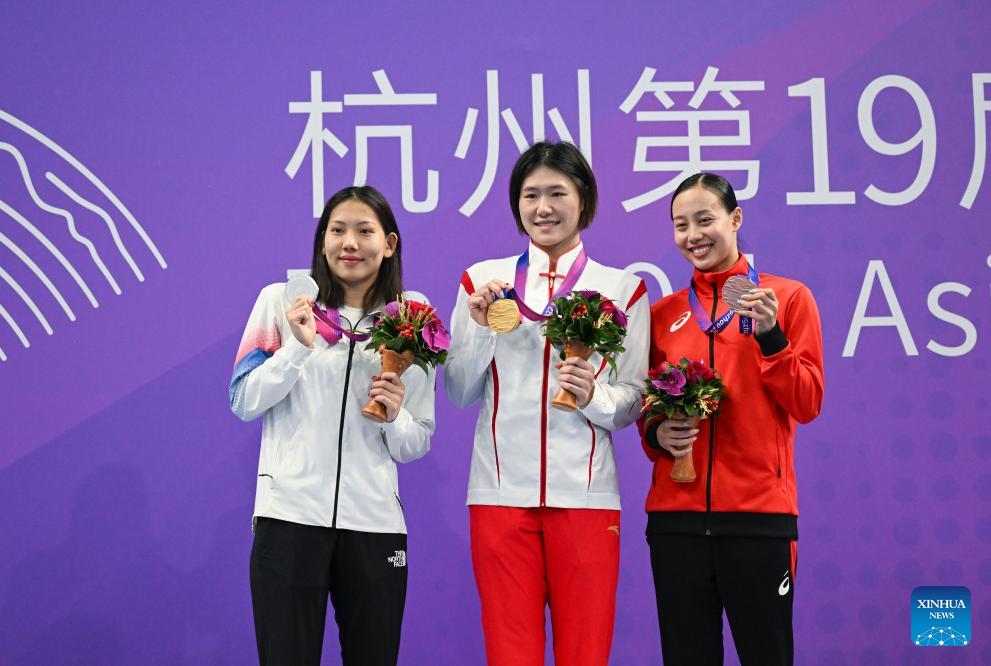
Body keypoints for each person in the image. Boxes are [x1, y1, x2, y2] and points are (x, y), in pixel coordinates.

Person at [444, 141, 649, 666]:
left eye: (557, 193)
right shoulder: (480, 282)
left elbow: (631, 401)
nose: (543, 208)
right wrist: (482, 327)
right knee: (510, 653)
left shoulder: (622, 290)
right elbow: (460, 390)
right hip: (498, 495)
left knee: (586, 652)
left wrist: (593, 397)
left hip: (586, 497)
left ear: (584, 199)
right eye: (530, 195)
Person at [228, 185, 435, 666]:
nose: (350, 243)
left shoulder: (410, 318)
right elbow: (243, 399)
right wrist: (296, 349)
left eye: (365, 231)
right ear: (322, 240)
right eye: (337, 230)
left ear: (389, 243)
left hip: (375, 525)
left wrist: (394, 415)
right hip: (289, 519)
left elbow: (416, 441)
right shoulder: (283, 302)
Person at [640, 173, 824, 665]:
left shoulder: (787, 298)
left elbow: (807, 402)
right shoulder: (662, 315)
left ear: (735, 218)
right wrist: (658, 432)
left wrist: (771, 337)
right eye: (681, 225)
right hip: (676, 522)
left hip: (758, 519)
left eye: (705, 220)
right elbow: (646, 408)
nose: (693, 235)